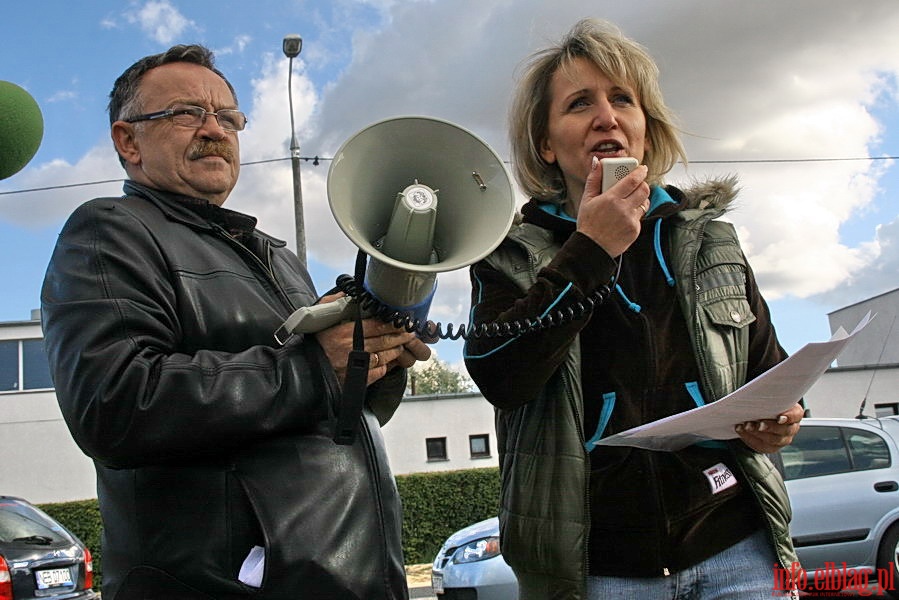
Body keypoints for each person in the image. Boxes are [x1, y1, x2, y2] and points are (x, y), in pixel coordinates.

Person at [40, 44, 430, 600]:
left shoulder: (279, 257)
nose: (215, 129)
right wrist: (315, 365)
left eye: (228, 117)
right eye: (185, 113)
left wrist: (376, 358)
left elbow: (336, 419)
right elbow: (114, 405)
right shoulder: (109, 232)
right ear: (128, 142)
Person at [463, 19, 804, 600]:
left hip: (735, 548)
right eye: (579, 103)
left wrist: (781, 419)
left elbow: (770, 370)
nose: (606, 116)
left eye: (623, 98)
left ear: (645, 130)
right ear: (546, 144)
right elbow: (502, 374)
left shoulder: (709, 241)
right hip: (598, 570)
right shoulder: (507, 256)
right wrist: (590, 251)